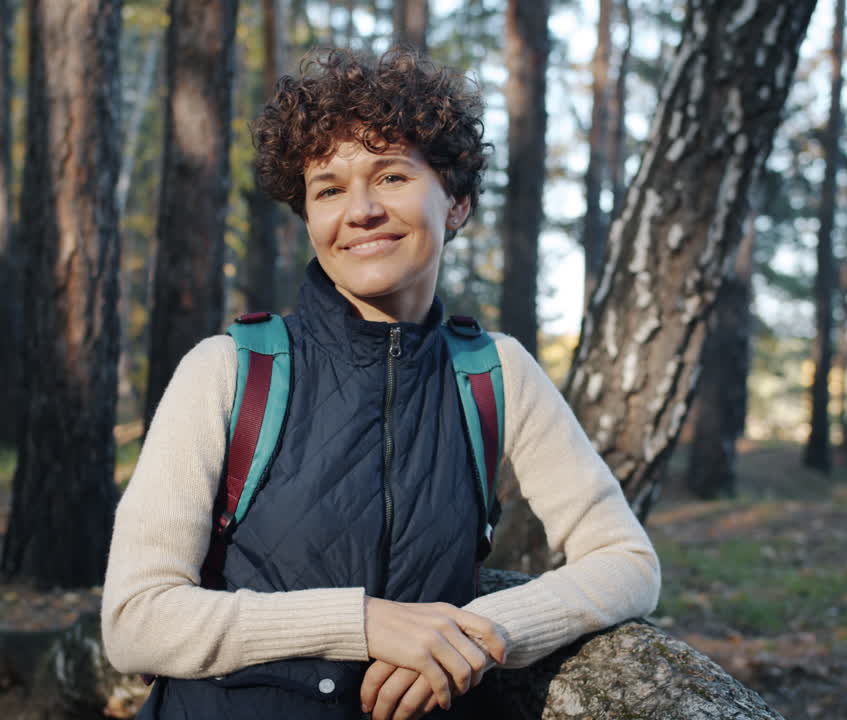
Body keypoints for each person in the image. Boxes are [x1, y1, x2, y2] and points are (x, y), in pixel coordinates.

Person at [101, 48, 660, 720]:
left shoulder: (492, 371)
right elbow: (135, 620)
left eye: (391, 176)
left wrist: (484, 634)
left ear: (455, 204)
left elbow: (627, 562)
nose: (360, 210)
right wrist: (366, 622)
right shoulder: (229, 370)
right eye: (329, 188)